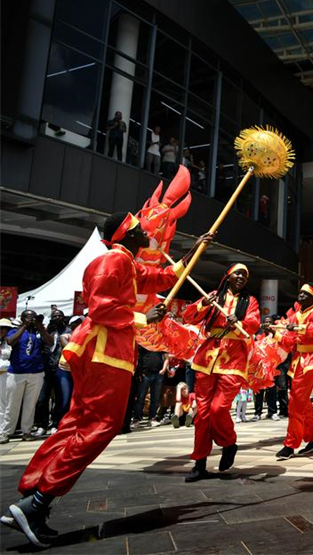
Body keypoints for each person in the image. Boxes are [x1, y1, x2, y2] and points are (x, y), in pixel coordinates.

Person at [1, 212, 209, 547]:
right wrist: (143, 317)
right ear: (127, 234)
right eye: (141, 229)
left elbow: (161, 277)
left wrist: (191, 252)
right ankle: (38, 501)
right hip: (105, 354)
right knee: (102, 425)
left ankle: (33, 496)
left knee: (78, 423)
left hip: (106, 353)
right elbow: (101, 309)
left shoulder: (126, 261)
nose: (147, 232)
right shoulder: (113, 261)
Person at [182, 264, 260, 482]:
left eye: (245, 275)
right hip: (207, 357)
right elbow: (189, 316)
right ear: (228, 275)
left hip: (233, 359)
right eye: (238, 273)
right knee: (202, 414)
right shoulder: (214, 296)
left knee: (218, 409)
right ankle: (200, 463)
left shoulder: (250, 301)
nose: (241, 277)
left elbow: (254, 324)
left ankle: (228, 443)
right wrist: (202, 306)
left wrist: (241, 322)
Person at [275, 283, 313, 460]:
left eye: (305, 294)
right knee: (302, 401)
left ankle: (290, 444)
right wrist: (275, 332)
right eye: (300, 293)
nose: (301, 296)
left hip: (311, 360)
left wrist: (301, 328)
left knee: (295, 402)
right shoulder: (295, 316)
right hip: (298, 361)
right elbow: (288, 342)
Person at [0, 310, 53, 444]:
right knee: (12, 404)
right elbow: (11, 342)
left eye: (33, 317)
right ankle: (5, 432)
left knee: (30, 404)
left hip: (36, 373)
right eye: (29, 317)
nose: (32, 319)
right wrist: (24, 326)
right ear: (23, 318)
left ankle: (27, 431)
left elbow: (50, 342)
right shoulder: (14, 331)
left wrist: (41, 328)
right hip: (17, 372)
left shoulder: (38, 332)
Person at [33, 311, 68, 437]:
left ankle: (56, 424)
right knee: (43, 399)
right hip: (46, 368)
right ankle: (42, 425)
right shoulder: (48, 331)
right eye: (55, 316)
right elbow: (47, 344)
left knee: (60, 398)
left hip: (61, 368)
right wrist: (43, 329)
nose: (57, 318)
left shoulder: (67, 330)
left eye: (59, 316)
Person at [132, 347, 168, 428]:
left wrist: (163, 370)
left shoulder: (160, 342)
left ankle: (152, 418)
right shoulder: (144, 342)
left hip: (158, 374)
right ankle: (136, 419)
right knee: (140, 398)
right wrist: (140, 372)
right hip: (145, 374)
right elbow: (139, 357)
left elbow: (166, 357)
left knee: (155, 398)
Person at [0, 319, 14, 440]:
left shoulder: (11, 341)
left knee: (5, 403)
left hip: (6, 373)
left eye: (4, 328)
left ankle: (3, 429)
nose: (2, 330)